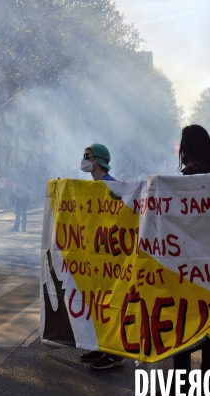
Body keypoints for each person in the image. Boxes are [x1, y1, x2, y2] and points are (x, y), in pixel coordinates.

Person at [173, 125, 210, 395]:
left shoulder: (190, 172)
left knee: (183, 321)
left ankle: (180, 385)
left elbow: (183, 218)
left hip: (191, 260)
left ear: (186, 145)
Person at [78, 143, 123, 370]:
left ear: (98, 160)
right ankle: (101, 347)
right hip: (96, 258)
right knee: (99, 305)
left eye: (88, 156)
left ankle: (115, 353)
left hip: (110, 258)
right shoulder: (93, 186)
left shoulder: (112, 186)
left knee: (111, 304)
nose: (84, 159)